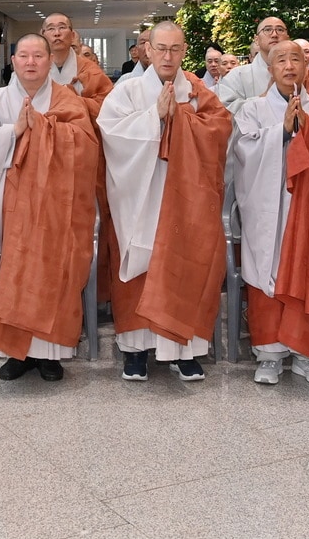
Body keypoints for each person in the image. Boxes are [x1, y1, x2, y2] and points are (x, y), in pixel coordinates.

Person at [97, 21, 231, 383]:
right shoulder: (126, 91)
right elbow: (110, 131)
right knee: (139, 263)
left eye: (175, 49)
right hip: (138, 194)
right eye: (161, 48)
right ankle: (136, 350)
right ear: (148, 50)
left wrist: (183, 118)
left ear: (184, 51)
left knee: (185, 264)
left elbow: (221, 128)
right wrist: (154, 117)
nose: (168, 56)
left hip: (186, 195)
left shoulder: (199, 91)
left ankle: (184, 350)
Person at [0, 34, 100, 382]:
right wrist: (15, 130)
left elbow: (86, 146)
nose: (30, 62)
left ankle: (50, 354)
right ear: (13, 61)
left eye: (38, 56)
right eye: (23, 55)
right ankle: (15, 353)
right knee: (12, 271)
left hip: (57, 207)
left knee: (55, 273)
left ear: (48, 59)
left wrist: (41, 127)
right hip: (9, 207)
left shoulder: (67, 98)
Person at [231, 41, 309, 386]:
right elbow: (243, 150)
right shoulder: (252, 109)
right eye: (280, 60)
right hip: (269, 208)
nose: (288, 66)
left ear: (306, 66)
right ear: (269, 69)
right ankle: (269, 354)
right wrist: (282, 132)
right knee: (268, 274)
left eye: (295, 59)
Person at [42, 12, 115, 303]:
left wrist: (73, 101)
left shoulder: (90, 71)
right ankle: (51, 291)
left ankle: (92, 293)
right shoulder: (35, 67)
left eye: (62, 28)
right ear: (43, 35)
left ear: (72, 35)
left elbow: (109, 108)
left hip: (86, 158)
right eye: (51, 28)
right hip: (45, 159)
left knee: (90, 224)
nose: (57, 33)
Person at [217, 17, 291, 111]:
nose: (274, 34)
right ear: (257, 39)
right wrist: (263, 98)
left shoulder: (303, 74)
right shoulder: (236, 76)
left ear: (288, 38)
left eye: (280, 30)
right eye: (267, 29)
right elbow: (223, 112)